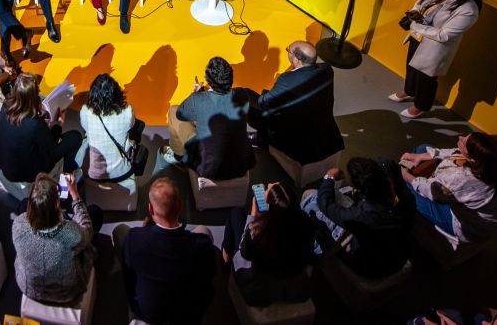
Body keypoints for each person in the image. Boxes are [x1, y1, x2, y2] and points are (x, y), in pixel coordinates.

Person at [390, 0, 484, 120]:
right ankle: (409, 90)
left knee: (426, 78)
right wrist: (415, 11)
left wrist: (415, 26)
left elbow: (445, 35)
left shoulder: (469, 9)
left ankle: (421, 106)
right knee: (411, 67)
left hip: (434, 47)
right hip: (418, 37)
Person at [121, 177, 217, 325]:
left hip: (148, 315)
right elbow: (208, 285)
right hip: (189, 316)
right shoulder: (202, 245)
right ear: (180, 206)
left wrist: (144, 232)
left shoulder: (134, 238)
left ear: (151, 209)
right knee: (204, 230)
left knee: (120, 231)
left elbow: (130, 280)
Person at [302, 157, 414, 279]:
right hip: (400, 256)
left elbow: (326, 205)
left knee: (314, 200)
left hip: (373, 268)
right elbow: (389, 165)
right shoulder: (406, 199)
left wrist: (329, 177)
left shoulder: (360, 216)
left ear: (361, 191)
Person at [399, 132, 497, 243]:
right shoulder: (492, 165)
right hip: (463, 198)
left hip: (467, 226)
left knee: (406, 187)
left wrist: (406, 175)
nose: (460, 138)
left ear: (472, 158)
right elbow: (456, 152)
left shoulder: (464, 179)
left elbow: (433, 190)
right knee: (423, 148)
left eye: (464, 142)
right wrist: (420, 156)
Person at [250, 39, 344, 167]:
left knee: (250, 103)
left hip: (302, 143)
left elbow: (264, 102)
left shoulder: (287, 80)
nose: (288, 52)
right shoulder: (327, 69)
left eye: (288, 50)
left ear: (297, 59)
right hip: (327, 135)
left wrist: (260, 93)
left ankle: (263, 139)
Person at [221, 181, 313, 307]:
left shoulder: (259, 233)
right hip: (296, 291)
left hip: (260, 293)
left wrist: (253, 217)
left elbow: (245, 253)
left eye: (267, 190)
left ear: (269, 207)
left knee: (236, 213)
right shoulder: (307, 226)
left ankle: (226, 259)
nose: (268, 184)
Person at [12, 172, 98, 305]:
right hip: (67, 292)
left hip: (31, 289)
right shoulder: (71, 232)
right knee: (95, 213)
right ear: (56, 204)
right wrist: (75, 194)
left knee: (22, 204)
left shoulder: (18, 224)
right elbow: (87, 231)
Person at [171, 56, 256, 181]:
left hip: (209, 169)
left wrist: (197, 94)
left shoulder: (197, 99)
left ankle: (178, 157)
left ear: (208, 80)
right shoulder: (243, 94)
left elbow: (181, 114)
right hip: (242, 164)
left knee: (173, 111)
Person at [0, 72, 84, 184]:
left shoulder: (6, 105)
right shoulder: (34, 123)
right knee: (75, 137)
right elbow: (51, 145)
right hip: (24, 173)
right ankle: (68, 172)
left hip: (1, 160)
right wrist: (59, 124)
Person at [78, 73, 143, 191]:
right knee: (139, 126)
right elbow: (132, 124)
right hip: (122, 173)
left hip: (94, 174)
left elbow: (85, 127)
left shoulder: (85, 111)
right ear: (117, 94)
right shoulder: (127, 111)